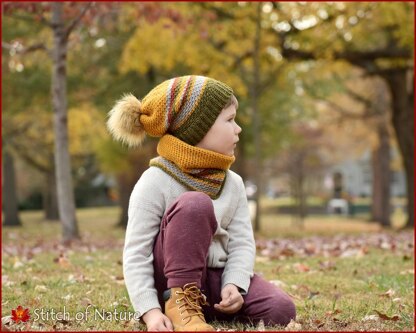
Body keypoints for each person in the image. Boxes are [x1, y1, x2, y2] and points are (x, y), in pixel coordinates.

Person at [107, 75, 296, 331]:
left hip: (215, 281)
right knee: (195, 204)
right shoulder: (155, 181)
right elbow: (136, 253)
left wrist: (234, 285)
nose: (238, 128)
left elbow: (241, 242)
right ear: (197, 129)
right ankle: (180, 306)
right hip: (171, 283)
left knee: (281, 309)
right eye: (229, 120)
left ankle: (206, 311)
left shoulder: (233, 182)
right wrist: (150, 312)